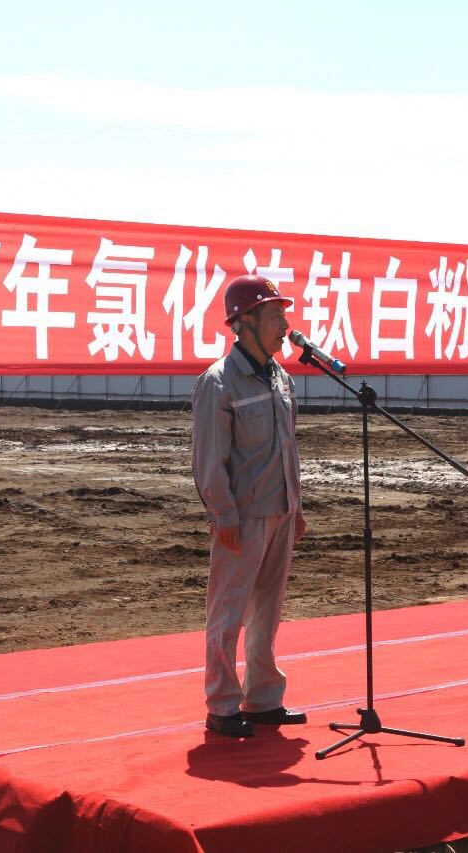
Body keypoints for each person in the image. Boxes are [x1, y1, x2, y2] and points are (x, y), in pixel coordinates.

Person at [191, 274, 308, 738]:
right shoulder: (219, 383)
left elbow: (287, 448)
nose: (285, 326)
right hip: (241, 518)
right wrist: (223, 514)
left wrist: (295, 507)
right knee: (229, 612)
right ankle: (222, 704)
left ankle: (262, 699)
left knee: (268, 611)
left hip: (280, 511)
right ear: (245, 321)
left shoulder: (281, 378)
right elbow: (209, 459)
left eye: (284, 315)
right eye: (275, 315)